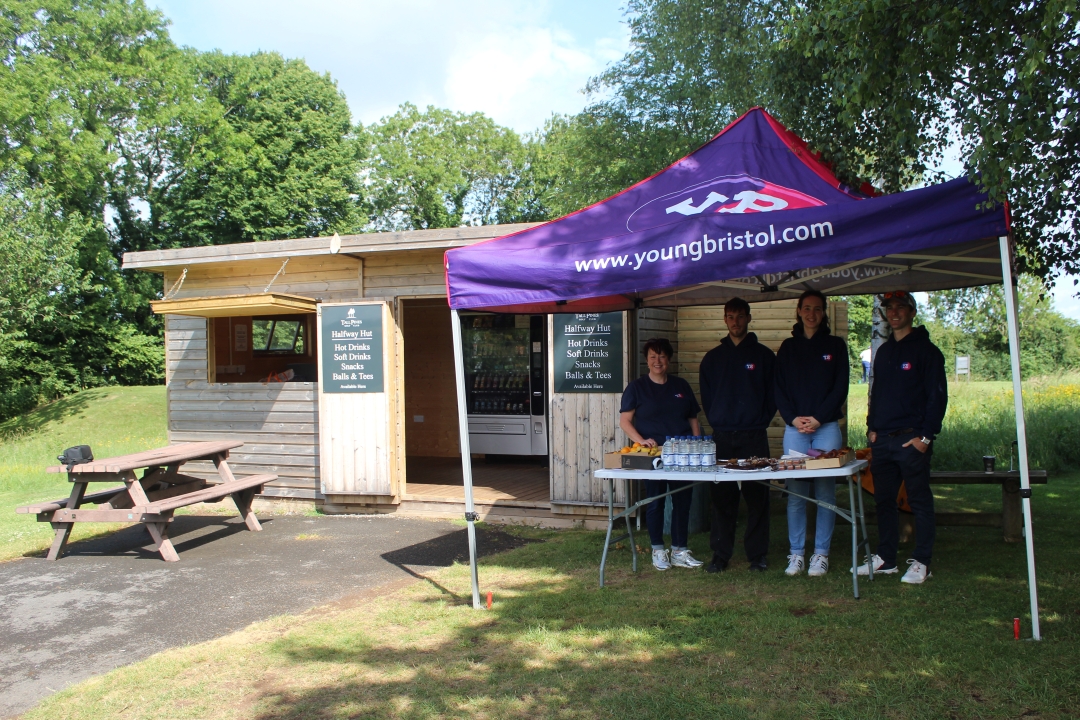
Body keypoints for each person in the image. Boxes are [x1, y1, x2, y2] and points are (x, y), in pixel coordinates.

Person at [859, 290, 947, 584]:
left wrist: (926, 437)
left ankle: (922, 561)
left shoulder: (927, 351)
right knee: (884, 501)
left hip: (911, 440)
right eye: (889, 308)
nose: (894, 313)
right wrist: (872, 428)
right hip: (883, 440)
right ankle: (886, 558)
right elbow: (877, 393)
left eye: (900, 307)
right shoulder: (884, 352)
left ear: (912, 312)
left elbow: (937, 397)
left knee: (919, 501)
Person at [774, 289, 849, 578]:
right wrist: (793, 419)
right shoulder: (788, 347)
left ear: (824, 313)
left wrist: (818, 419)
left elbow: (840, 387)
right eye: (806, 308)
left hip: (825, 428)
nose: (811, 314)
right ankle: (796, 554)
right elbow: (778, 388)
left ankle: (821, 554)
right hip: (795, 430)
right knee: (796, 493)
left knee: (825, 491)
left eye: (817, 309)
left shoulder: (835, 346)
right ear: (799, 311)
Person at [698, 297, 776, 573]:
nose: (735, 322)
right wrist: (718, 421)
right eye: (730, 317)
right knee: (722, 499)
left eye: (740, 316)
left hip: (754, 435)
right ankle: (720, 555)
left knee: (757, 497)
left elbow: (772, 395)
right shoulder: (712, 359)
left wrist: (760, 421)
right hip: (722, 437)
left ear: (749, 318)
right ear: (725, 319)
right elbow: (707, 398)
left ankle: (758, 555)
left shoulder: (764, 356)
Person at [619, 337, 703, 571]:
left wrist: (696, 444)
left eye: (662, 356)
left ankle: (679, 550)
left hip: (681, 454)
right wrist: (641, 441)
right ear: (646, 360)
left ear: (669, 359)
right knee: (655, 502)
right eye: (653, 357)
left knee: (682, 502)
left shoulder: (681, 386)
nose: (658, 361)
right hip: (653, 456)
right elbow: (625, 421)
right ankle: (658, 550)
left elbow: (693, 419)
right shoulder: (637, 387)